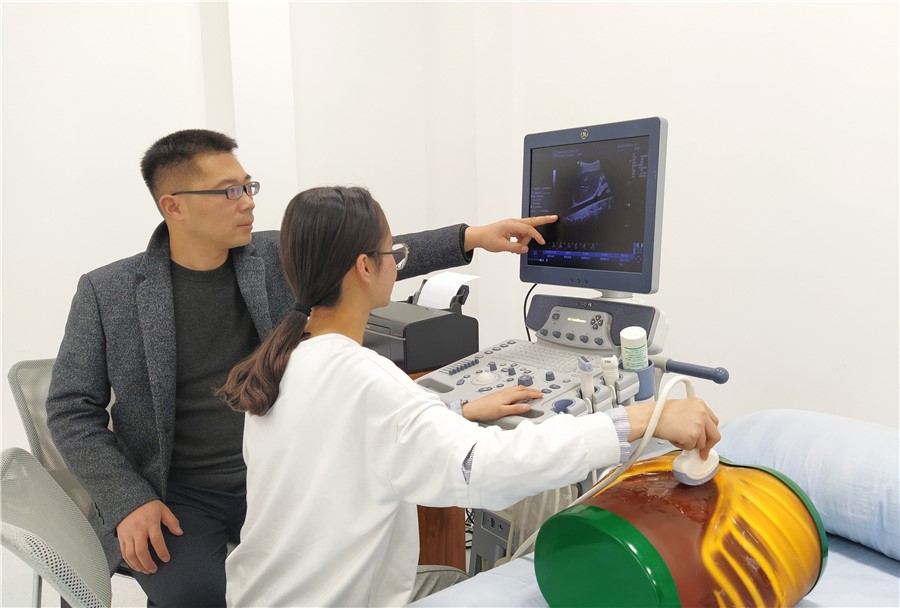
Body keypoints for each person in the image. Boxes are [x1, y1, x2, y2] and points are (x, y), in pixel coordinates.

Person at [45, 129, 558, 607]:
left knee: (336, 569)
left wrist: (472, 237)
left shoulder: (268, 257)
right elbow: (71, 410)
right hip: (178, 491)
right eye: (229, 191)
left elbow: (368, 254)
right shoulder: (108, 292)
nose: (247, 201)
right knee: (197, 593)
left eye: (248, 186)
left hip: (282, 470)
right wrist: (129, 501)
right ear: (173, 206)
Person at [218, 186, 721, 607]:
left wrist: (454, 410)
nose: (398, 264)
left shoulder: (280, 364)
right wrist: (638, 419)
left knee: (453, 572)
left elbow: (354, 437)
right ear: (365, 268)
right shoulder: (367, 381)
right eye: (394, 254)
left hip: (262, 595)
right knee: (525, 581)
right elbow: (484, 471)